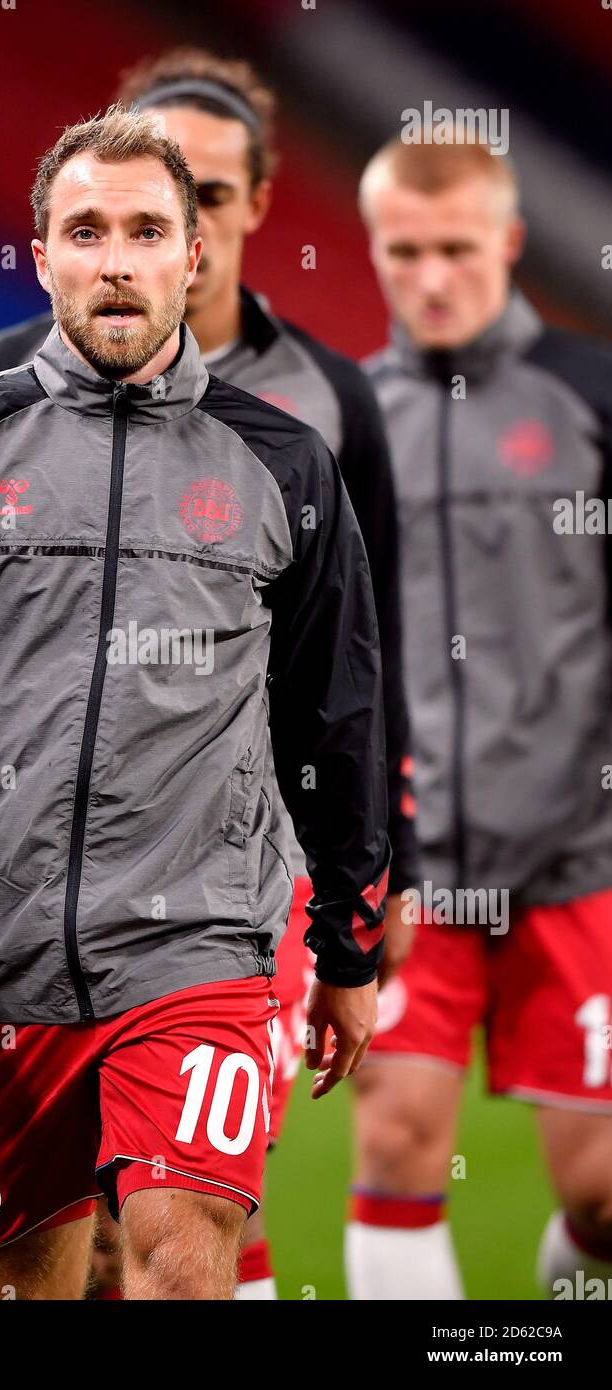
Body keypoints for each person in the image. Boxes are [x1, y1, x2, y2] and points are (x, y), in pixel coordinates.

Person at [0, 105, 390, 1301]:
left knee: (182, 1259)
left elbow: (335, 717)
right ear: (41, 255)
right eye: (85, 230)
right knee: (16, 1290)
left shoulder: (285, 465)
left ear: (191, 255)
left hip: (199, 945)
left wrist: (349, 942)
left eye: (146, 229)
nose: (115, 259)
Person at [346, 133, 612, 1300]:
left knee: (602, 1204)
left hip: (577, 859)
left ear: (505, 241)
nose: (431, 277)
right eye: (403, 253)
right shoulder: (344, 423)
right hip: (414, 868)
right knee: (397, 1138)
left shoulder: (590, 399)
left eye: (455, 249)